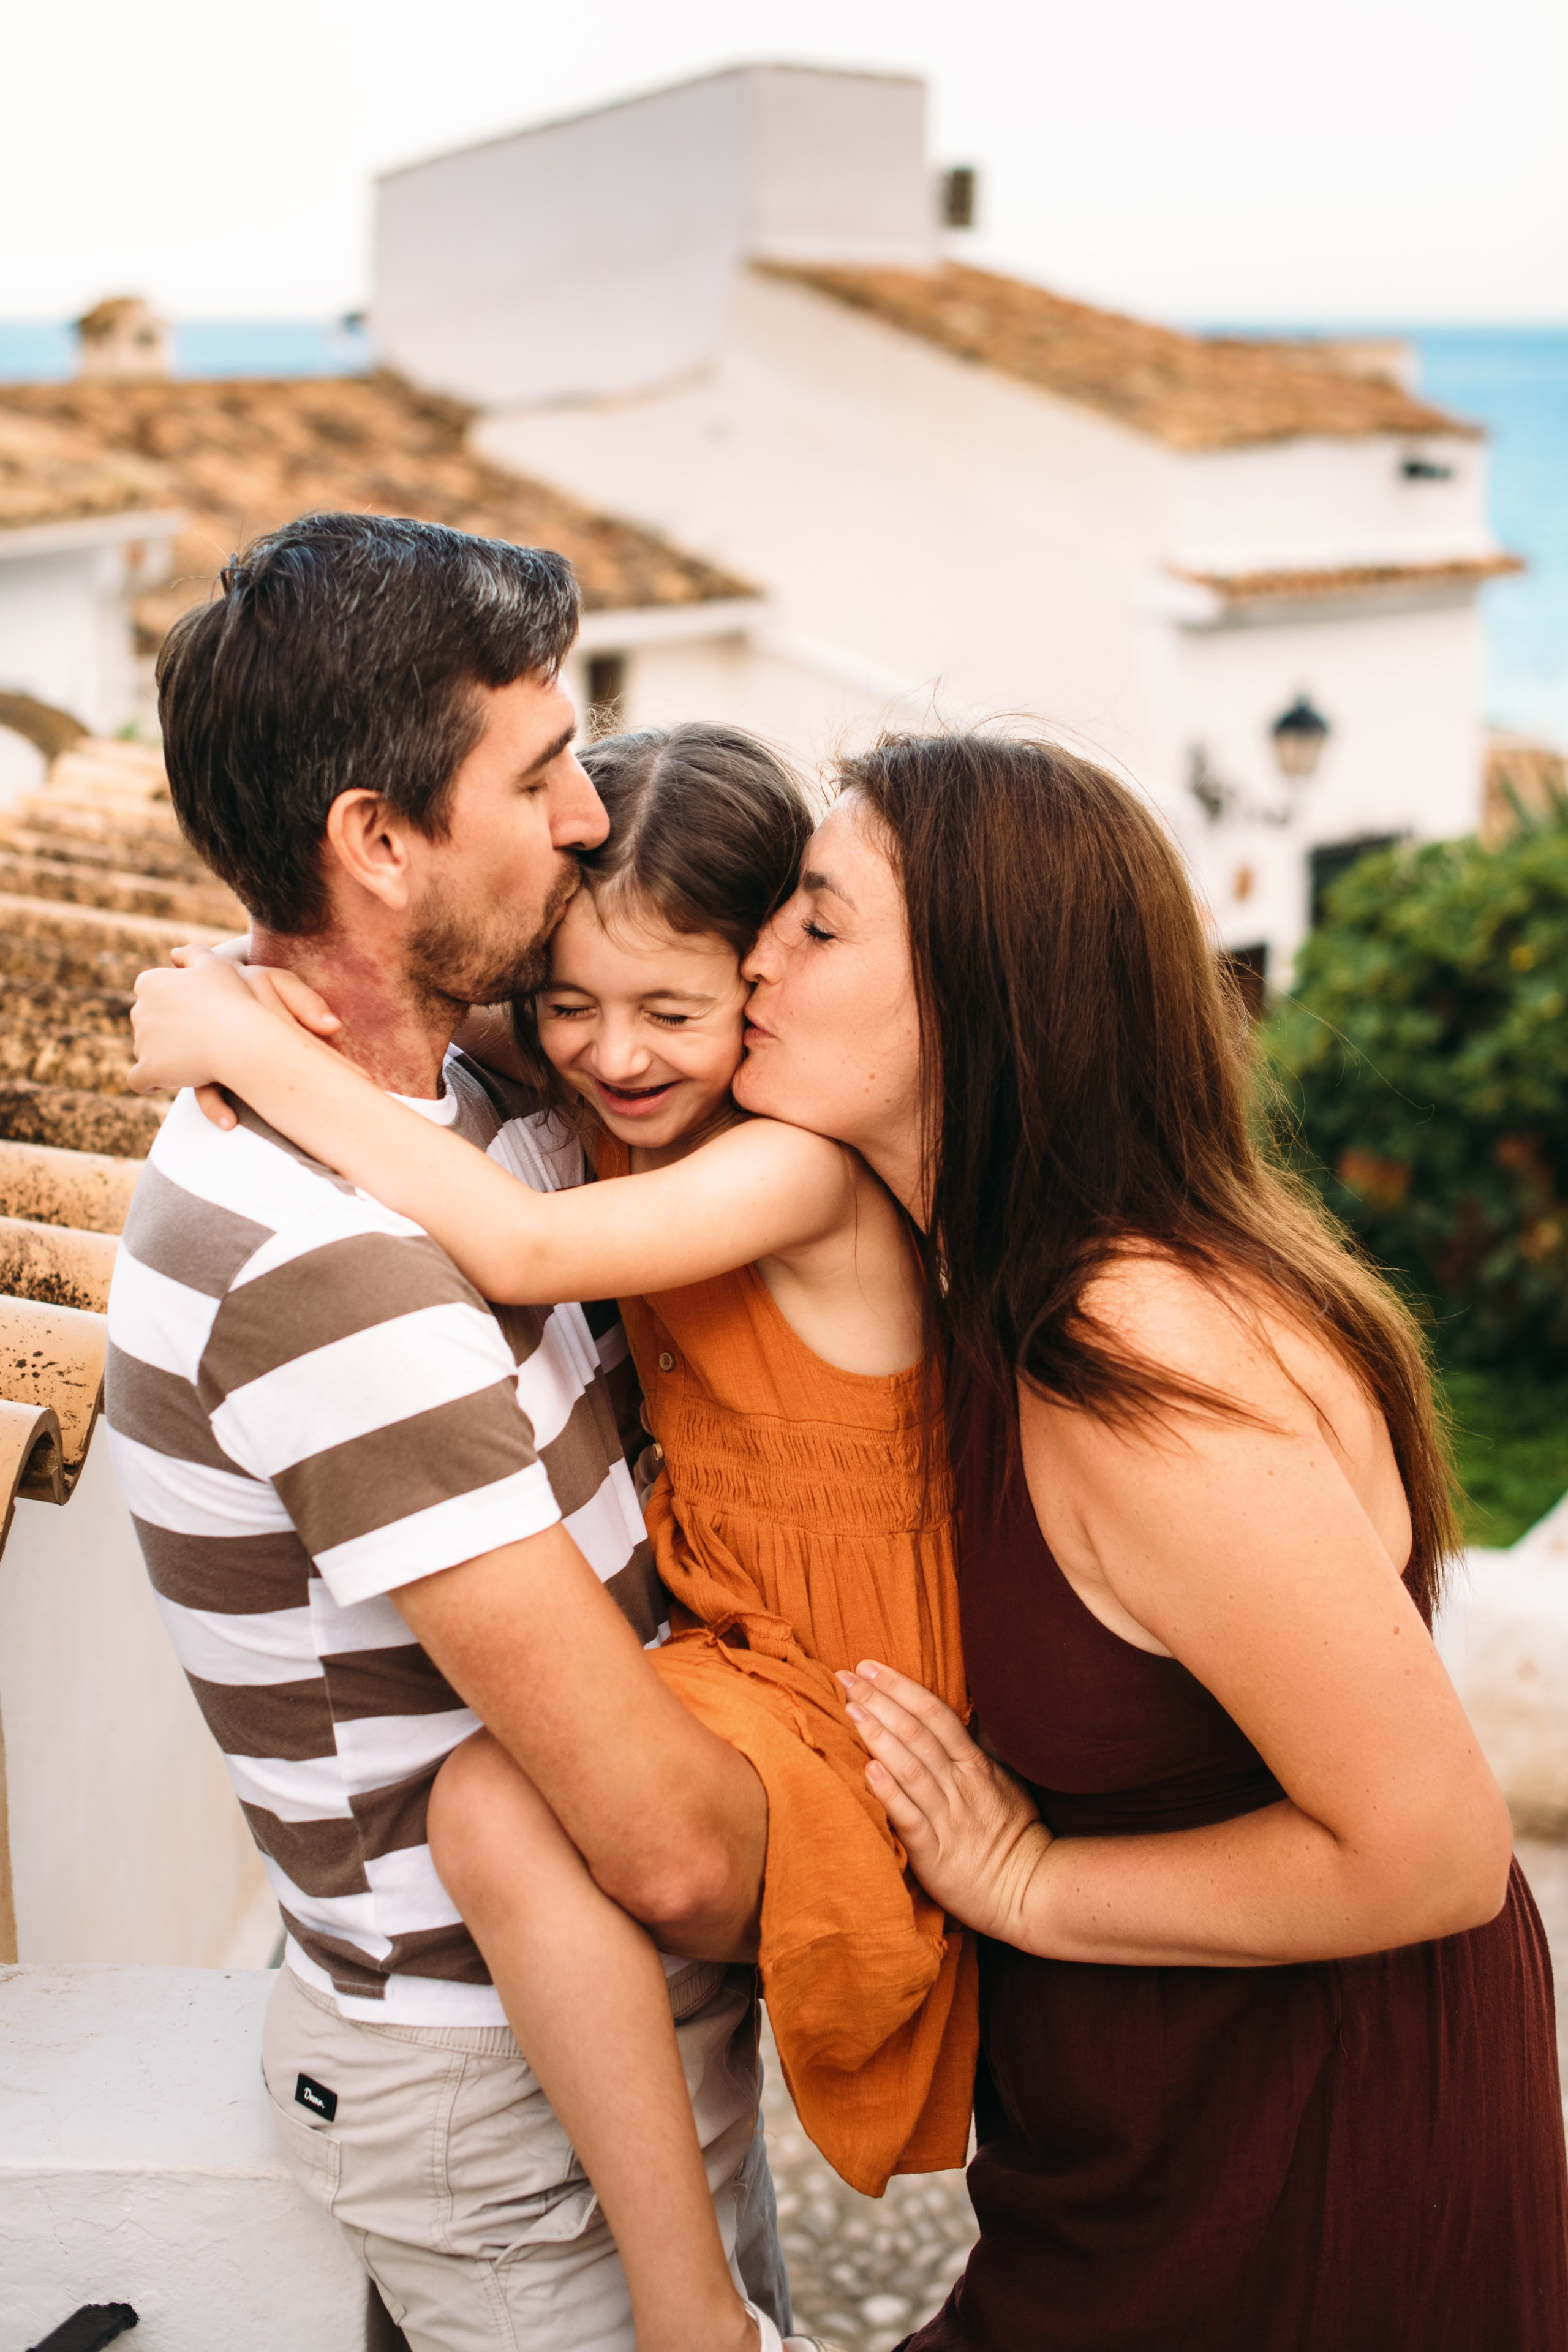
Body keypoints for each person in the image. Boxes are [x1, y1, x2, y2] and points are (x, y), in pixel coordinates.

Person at [736, 733, 1568, 2350]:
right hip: (1139, 2150)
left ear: (982, 999)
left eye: (820, 925)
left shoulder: (1135, 1352)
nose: (758, 954)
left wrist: (1031, 1885)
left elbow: (1438, 1850)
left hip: (1304, 2157)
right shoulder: (987, 1282)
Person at [127, 723, 978, 2237]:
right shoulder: (625, 1097)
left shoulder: (794, 1166)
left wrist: (248, 1044)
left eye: (674, 1008)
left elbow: (522, 1252)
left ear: (759, 990)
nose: (616, 1051)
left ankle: (681, 2312)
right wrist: (253, 969)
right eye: (575, 1006)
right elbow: (466, 1023)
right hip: (733, 1631)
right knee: (513, 1818)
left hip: (839, 1665)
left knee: (498, 1814)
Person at [104, 512, 799, 2352]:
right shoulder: (333, 1268)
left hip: (601, 2052)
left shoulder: (471, 1082)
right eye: (546, 769)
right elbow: (665, 1854)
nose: (588, 816)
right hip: (511, 2104)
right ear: (378, 841)